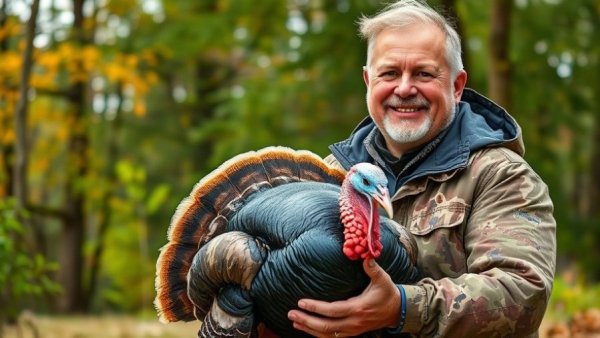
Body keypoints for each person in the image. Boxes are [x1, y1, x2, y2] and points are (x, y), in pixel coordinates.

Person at [286, 0, 556, 337]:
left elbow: (522, 293)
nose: (403, 88)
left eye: (424, 73)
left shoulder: (501, 175)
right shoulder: (330, 175)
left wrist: (402, 307)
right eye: (389, 73)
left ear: (457, 86)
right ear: (368, 81)